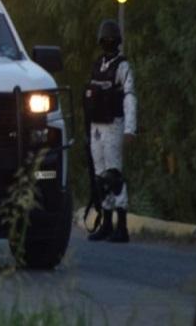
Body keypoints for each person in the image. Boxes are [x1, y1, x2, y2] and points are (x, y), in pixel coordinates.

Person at [84, 18, 137, 243]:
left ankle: (122, 226)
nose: (107, 42)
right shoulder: (99, 64)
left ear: (117, 41)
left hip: (114, 125)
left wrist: (130, 128)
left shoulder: (122, 67)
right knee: (100, 176)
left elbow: (129, 97)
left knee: (113, 175)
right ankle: (106, 223)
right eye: (104, 39)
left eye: (110, 39)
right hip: (96, 126)